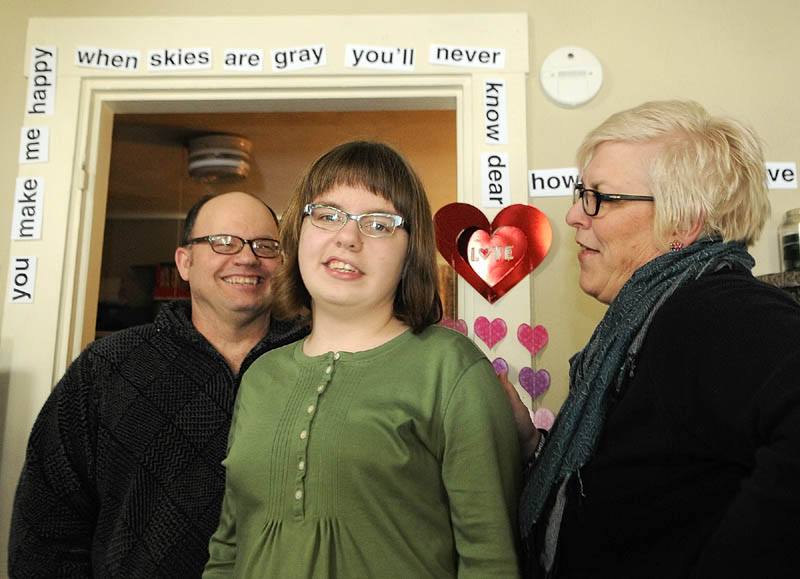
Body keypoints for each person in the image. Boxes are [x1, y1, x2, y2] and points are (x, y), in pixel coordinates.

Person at [506, 100, 800, 578]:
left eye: (599, 197)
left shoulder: (715, 309)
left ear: (682, 223)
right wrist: (533, 447)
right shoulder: (646, 322)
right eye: (581, 193)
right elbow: (644, 480)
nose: (574, 216)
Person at [203, 141, 520, 578]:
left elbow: (491, 561)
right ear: (298, 235)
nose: (348, 238)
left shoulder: (452, 369)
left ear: (411, 252)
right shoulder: (261, 375)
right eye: (328, 216)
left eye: (379, 223)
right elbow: (227, 549)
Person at [9, 192, 309, 578]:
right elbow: (45, 525)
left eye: (265, 246)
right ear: (185, 262)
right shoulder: (106, 368)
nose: (247, 257)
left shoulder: (316, 364)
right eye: (223, 242)